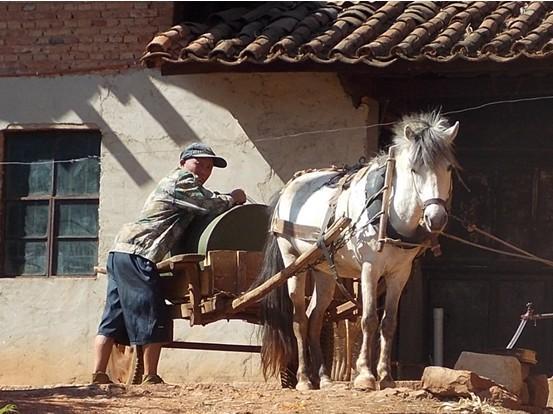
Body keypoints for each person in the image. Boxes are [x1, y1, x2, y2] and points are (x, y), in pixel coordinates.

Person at [92, 143, 246, 385]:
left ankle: (99, 374)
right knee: (153, 312)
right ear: (183, 162)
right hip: (139, 253)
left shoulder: (183, 187)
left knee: (114, 315)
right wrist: (234, 198)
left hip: (121, 251)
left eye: (208, 167)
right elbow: (209, 205)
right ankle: (150, 376)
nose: (204, 171)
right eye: (199, 164)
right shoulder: (181, 180)